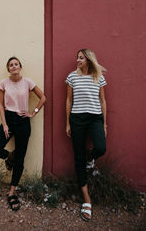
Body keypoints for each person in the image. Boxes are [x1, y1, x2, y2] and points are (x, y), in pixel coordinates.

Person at [0, 56, 46, 211]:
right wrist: (4, 125)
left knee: (20, 159)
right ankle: (10, 156)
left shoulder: (28, 82)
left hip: (22, 121)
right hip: (8, 118)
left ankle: (12, 192)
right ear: (8, 69)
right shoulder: (3, 83)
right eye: (11, 65)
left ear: (20, 67)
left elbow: (43, 98)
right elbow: (1, 105)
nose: (14, 67)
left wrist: (32, 112)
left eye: (16, 64)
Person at [66, 49, 107, 222]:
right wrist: (68, 122)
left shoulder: (98, 77)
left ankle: (91, 159)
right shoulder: (72, 77)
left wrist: (104, 123)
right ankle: (87, 199)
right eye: (77, 57)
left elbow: (102, 101)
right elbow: (69, 100)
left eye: (81, 58)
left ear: (89, 60)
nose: (77, 60)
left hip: (95, 118)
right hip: (77, 119)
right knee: (78, 157)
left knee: (100, 147)